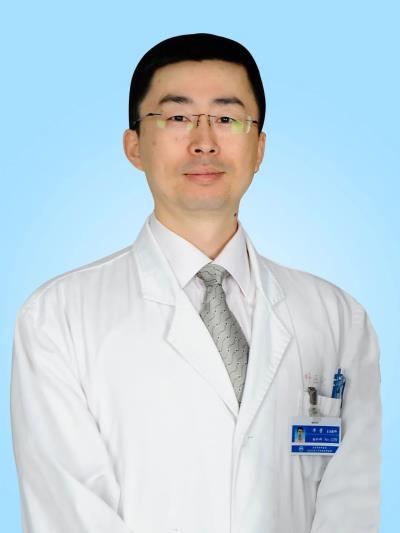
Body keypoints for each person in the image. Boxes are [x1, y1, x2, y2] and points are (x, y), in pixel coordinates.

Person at [10, 33, 381, 533]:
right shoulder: (57, 317)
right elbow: (68, 511)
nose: (204, 141)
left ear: (259, 148)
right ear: (134, 146)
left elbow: (351, 500)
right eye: (177, 117)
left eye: (227, 119)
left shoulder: (337, 317)